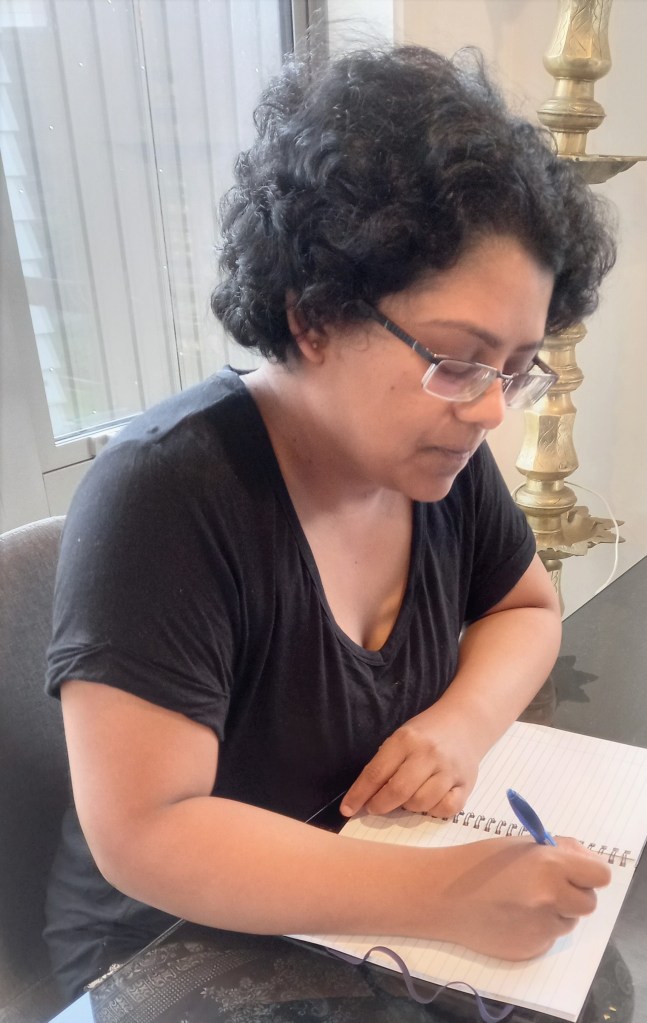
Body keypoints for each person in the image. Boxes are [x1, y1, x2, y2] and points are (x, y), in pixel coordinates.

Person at [45, 44, 617, 1000]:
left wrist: (462, 724)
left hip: (360, 890)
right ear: (313, 316)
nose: (490, 411)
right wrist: (444, 893)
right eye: (457, 358)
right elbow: (148, 831)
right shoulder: (166, 494)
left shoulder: (436, 454)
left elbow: (526, 607)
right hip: (174, 951)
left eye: (516, 366)